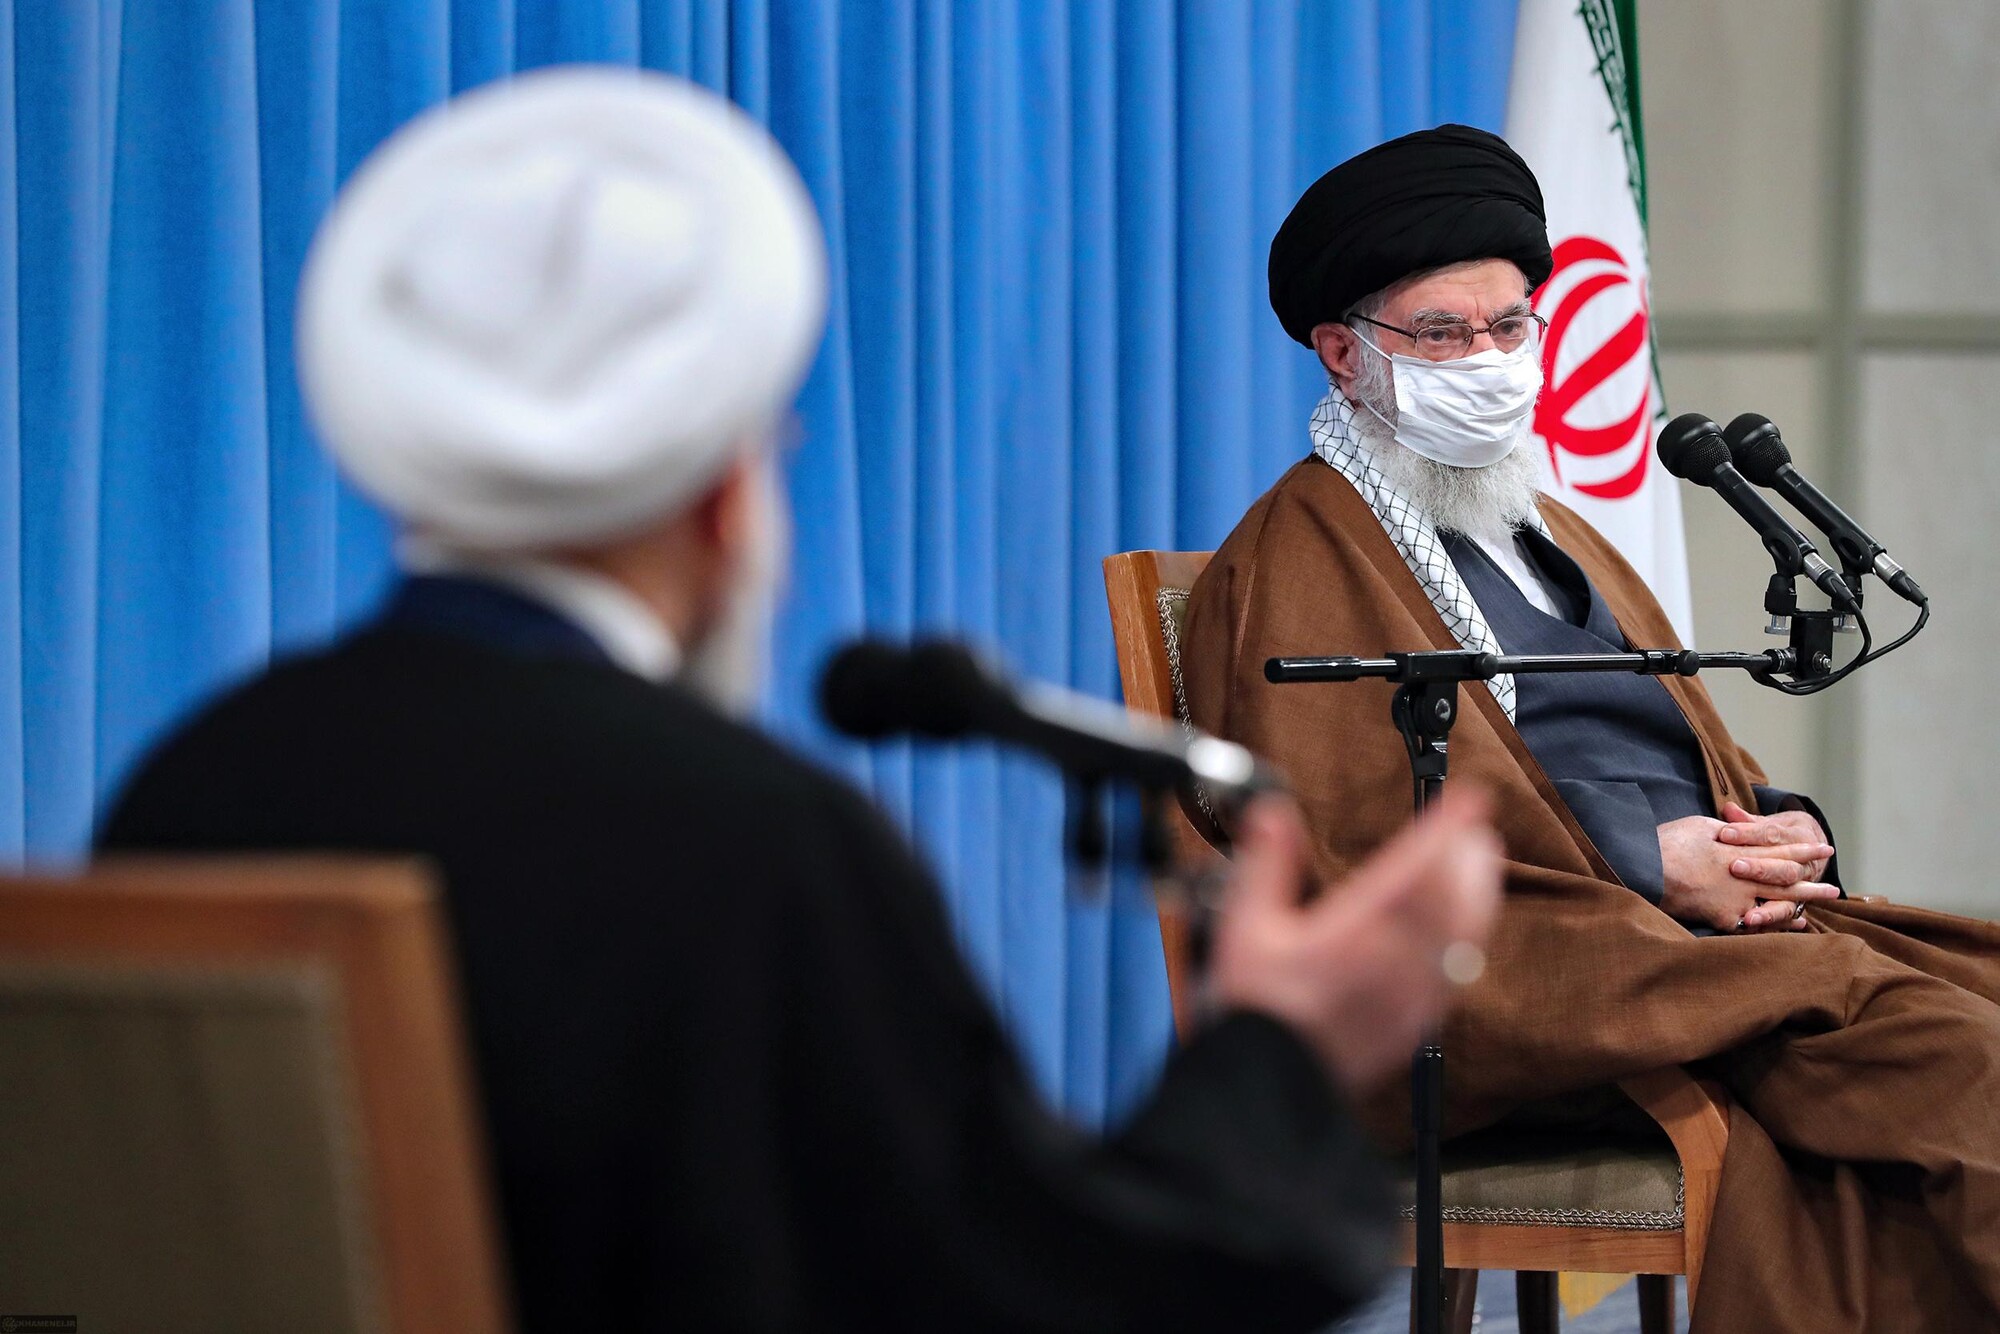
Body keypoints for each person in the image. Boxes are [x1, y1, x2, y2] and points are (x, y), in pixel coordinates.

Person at [96, 70, 1505, 1333]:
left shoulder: (193, 783)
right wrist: (1286, 1047)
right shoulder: (752, 844)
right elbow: (1038, 1294)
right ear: (725, 502)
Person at [1182, 121, 2000, 1331]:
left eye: (1508, 325)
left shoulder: (1545, 526)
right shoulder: (1297, 554)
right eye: (1442, 333)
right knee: (1963, 1070)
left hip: (1684, 947)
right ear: (1344, 353)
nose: (1487, 358)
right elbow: (1345, 833)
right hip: (1527, 977)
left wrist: (1770, 833)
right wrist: (1645, 861)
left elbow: (1684, 739)